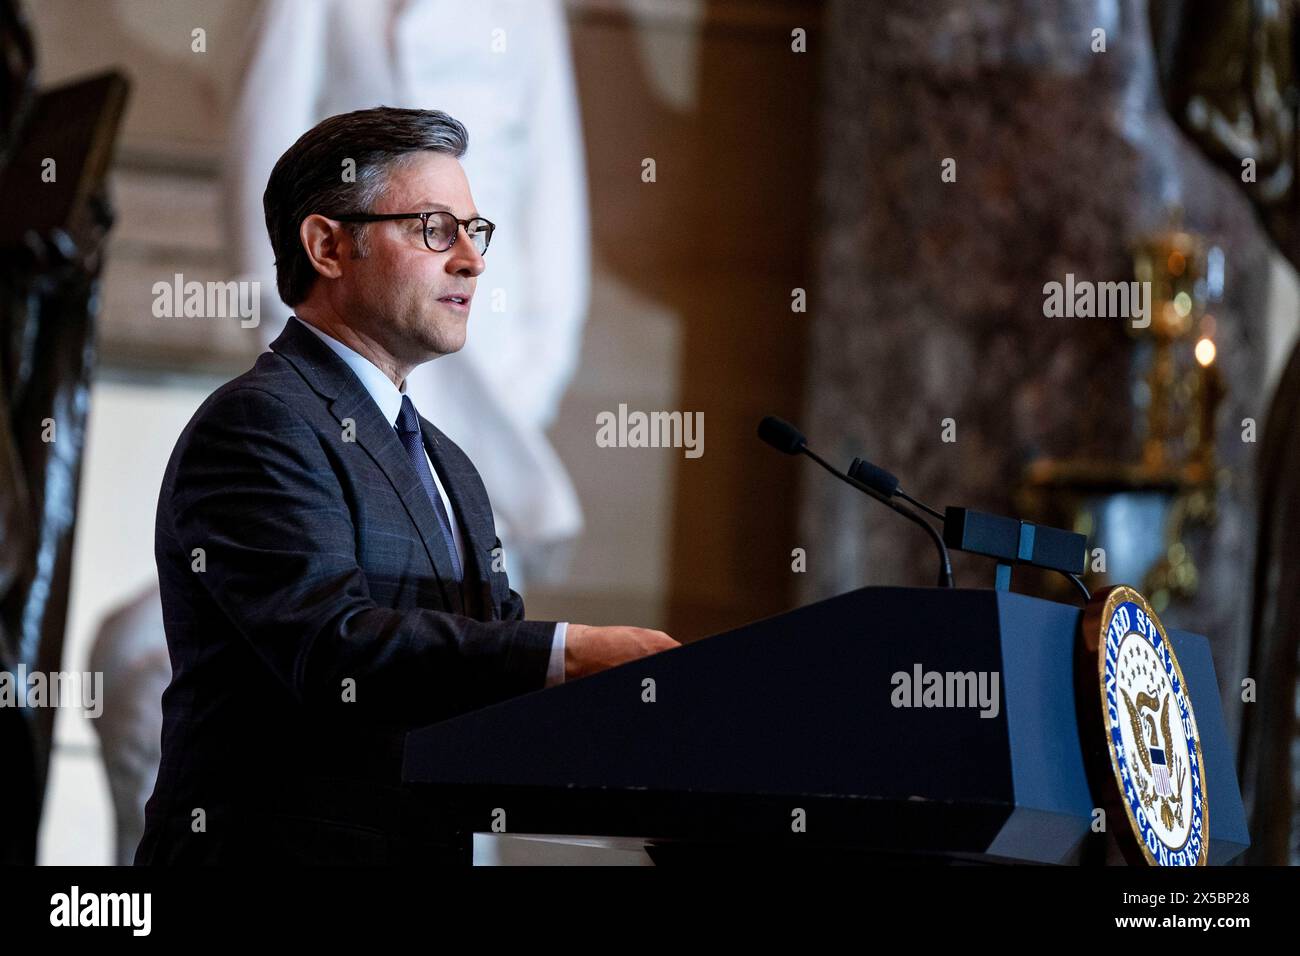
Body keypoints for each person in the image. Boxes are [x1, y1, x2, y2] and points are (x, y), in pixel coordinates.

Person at [134, 107, 678, 865]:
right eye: (433, 228)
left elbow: (486, 690)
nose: (471, 260)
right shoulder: (260, 424)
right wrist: (572, 652)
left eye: (475, 231)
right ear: (327, 245)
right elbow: (334, 649)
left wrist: (674, 792)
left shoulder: (452, 465)